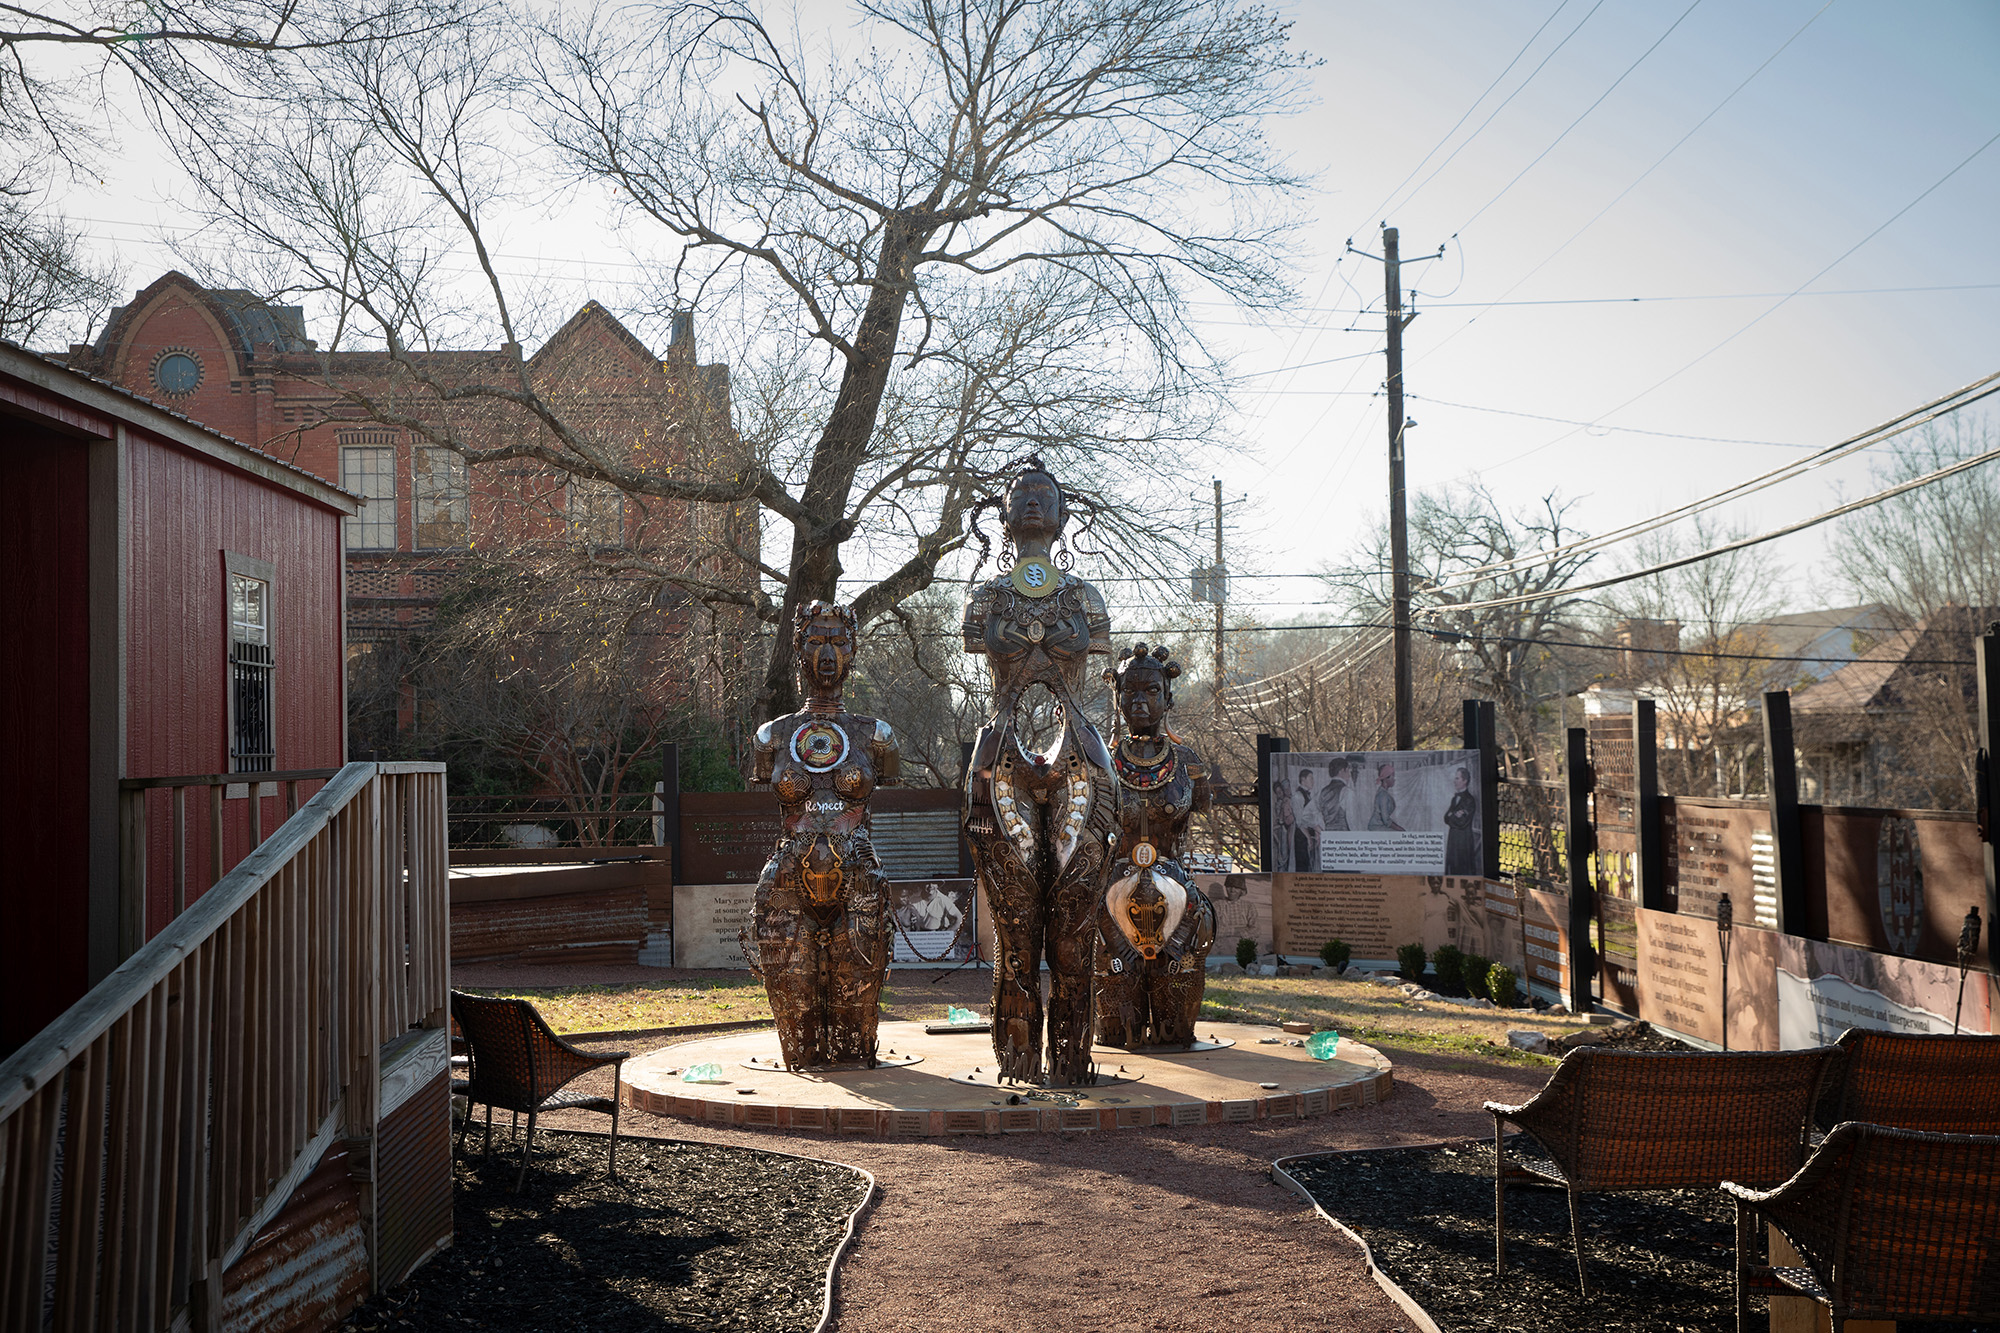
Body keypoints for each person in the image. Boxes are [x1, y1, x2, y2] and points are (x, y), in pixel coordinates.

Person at [961, 457, 1115, 1085]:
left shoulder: (1085, 597)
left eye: (1043, 493)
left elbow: (1090, 661)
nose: (1031, 500)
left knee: (1074, 925)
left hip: (1079, 757)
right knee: (1017, 924)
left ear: (1062, 514)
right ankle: (1018, 1058)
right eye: (1020, 492)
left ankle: (1073, 1060)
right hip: (1001, 758)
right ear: (1003, 515)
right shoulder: (986, 598)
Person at [745, 602, 899, 1069]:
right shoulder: (771, 736)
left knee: (856, 1010)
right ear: (798, 649)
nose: (826, 654)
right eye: (814, 641)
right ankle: (803, 1061)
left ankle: (854, 1059)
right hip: (788, 877)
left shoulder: (877, 735)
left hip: (858, 876)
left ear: (852, 651)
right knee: (797, 1023)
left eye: (838, 642)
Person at [1094, 643, 1216, 1049]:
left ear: (1168, 697)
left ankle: (1173, 1031)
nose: (1140, 701)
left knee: (1175, 1005)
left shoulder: (1187, 763)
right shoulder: (1101, 763)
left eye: (1151, 691)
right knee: (1117, 1012)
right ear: (1118, 697)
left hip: (1177, 896)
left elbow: (1202, 804)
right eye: (1130, 690)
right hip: (1111, 898)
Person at [1444, 765, 1480, 876]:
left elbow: (1462, 823)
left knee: (1462, 869)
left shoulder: (1469, 800)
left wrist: (1452, 816)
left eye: (1457, 778)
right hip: (1453, 839)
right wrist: (1454, 816)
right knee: (1452, 868)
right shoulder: (1454, 799)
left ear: (1465, 781)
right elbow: (1446, 818)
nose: (1454, 781)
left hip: (1463, 841)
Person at [1293, 766, 1321, 872]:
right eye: (1311, 778)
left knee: (1311, 865)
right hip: (1302, 836)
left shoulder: (1308, 795)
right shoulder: (1297, 796)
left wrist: (1316, 834)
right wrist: (1308, 837)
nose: (1313, 781)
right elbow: (1300, 821)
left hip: (1309, 834)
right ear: (1303, 780)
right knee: (1303, 866)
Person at [1368, 761, 1405, 832]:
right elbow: (1386, 820)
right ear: (1386, 778)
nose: (1394, 779)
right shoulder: (1383, 795)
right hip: (1376, 827)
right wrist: (1401, 829)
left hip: (1380, 826)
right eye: (1392, 776)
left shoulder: (1384, 793)